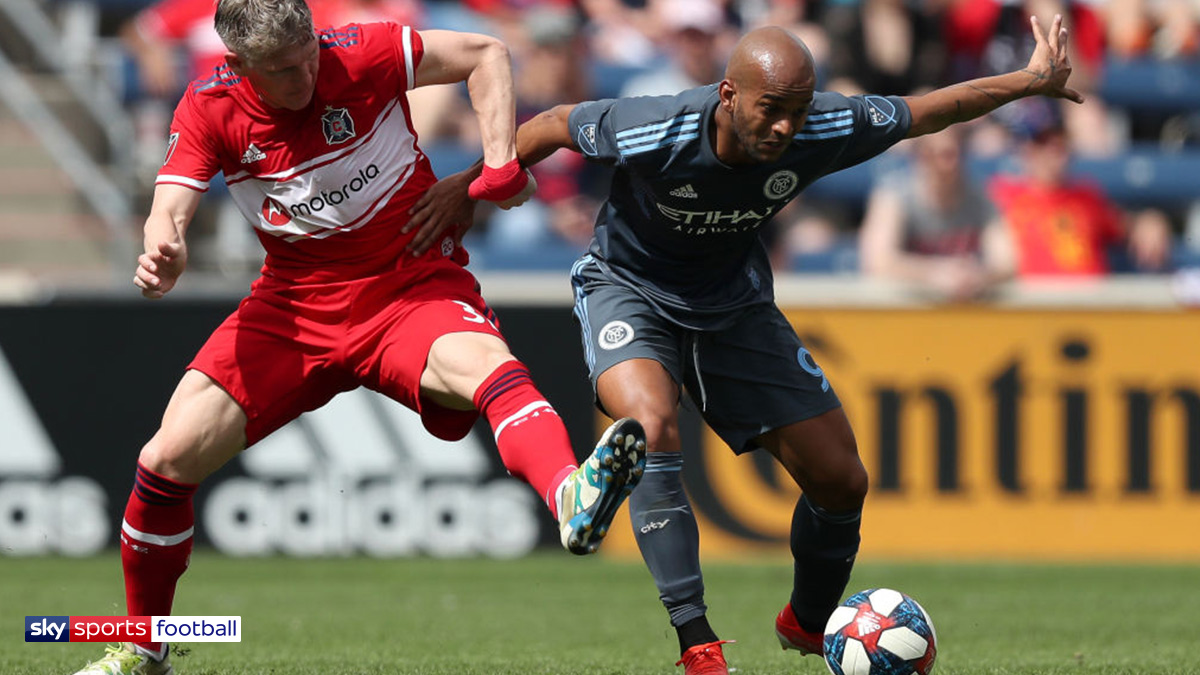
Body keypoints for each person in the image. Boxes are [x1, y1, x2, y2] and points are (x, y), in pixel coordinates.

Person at [409, 13, 1083, 675]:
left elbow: (927, 109)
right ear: (729, 96)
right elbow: (554, 123)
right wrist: (471, 184)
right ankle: (698, 644)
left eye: (797, 109)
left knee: (842, 479)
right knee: (647, 428)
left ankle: (808, 622)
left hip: (733, 308)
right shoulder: (658, 125)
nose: (786, 127)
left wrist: (1028, 81)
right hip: (630, 289)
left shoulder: (820, 126)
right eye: (771, 110)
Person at [72, 1, 647, 673]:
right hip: (292, 308)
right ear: (239, 67)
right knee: (165, 460)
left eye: (309, 54)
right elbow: (169, 206)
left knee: (490, 369)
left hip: (407, 285)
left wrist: (496, 161)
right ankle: (143, 646)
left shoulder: (359, 51)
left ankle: (569, 496)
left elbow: (485, 54)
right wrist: (161, 245)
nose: (307, 75)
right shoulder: (209, 106)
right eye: (285, 71)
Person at [989, 99, 1172, 277]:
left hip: (1090, 303)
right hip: (1033, 303)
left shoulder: (1087, 196)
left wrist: (1149, 221)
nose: (1054, 148)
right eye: (1042, 141)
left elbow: (1126, 225)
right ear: (1025, 148)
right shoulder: (1003, 195)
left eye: (1060, 137)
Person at [859, 126, 1014, 301]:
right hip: (906, 312)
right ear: (921, 156)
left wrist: (979, 276)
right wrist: (934, 273)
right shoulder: (894, 195)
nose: (952, 164)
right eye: (944, 155)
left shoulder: (982, 196)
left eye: (957, 153)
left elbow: (1007, 262)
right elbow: (878, 262)